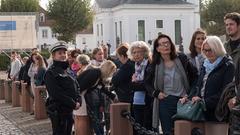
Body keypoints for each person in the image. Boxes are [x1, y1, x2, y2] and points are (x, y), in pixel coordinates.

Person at [148, 34, 198, 135]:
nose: (165, 46)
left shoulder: (182, 58)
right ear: (157, 49)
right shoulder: (155, 64)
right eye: (162, 44)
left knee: (184, 131)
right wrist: (156, 93)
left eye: (167, 43)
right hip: (166, 101)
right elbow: (147, 83)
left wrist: (190, 94)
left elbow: (195, 76)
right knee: (168, 131)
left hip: (183, 101)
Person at [182, 36, 235, 122]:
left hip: (218, 112)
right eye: (204, 50)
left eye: (210, 50)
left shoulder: (228, 65)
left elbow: (225, 92)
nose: (207, 53)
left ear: (217, 49)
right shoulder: (205, 64)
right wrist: (189, 97)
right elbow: (199, 86)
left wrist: (205, 102)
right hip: (202, 111)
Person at [44, 41, 81, 135]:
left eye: (64, 53)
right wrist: (73, 103)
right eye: (59, 53)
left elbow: (76, 85)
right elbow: (56, 93)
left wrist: (79, 100)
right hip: (58, 111)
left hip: (68, 111)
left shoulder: (67, 70)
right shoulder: (50, 73)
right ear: (53, 55)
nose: (63, 55)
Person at [76, 60, 117, 135]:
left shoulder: (98, 76)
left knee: (81, 118)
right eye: (112, 72)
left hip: (80, 96)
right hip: (78, 96)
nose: (112, 74)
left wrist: (113, 97)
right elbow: (80, 86)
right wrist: (78, 99)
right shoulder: (95, 73)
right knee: (82, 119)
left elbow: (102, 88)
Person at [128, 41, 153, 135]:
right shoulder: (133, 66)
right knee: (137, 129)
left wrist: (134, 82)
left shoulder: (149, 64)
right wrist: (134, 84)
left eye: (139, 52)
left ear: (145, 52)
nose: (136, 54)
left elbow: (146, 85)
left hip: (147, 101)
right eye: (134, 52)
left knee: (146, 128)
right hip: (136, 101)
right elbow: (129, 85)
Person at [223, 12, 240, 110]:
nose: (228, 27)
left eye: (231, 24)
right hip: (226, 91)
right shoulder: (223, 47)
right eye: (226, 25)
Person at [73, 54, 92, 135]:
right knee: (82, 119)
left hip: (77, 97)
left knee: (77, 119)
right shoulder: (86, 71)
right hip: (81, 98)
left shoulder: (80, 72)